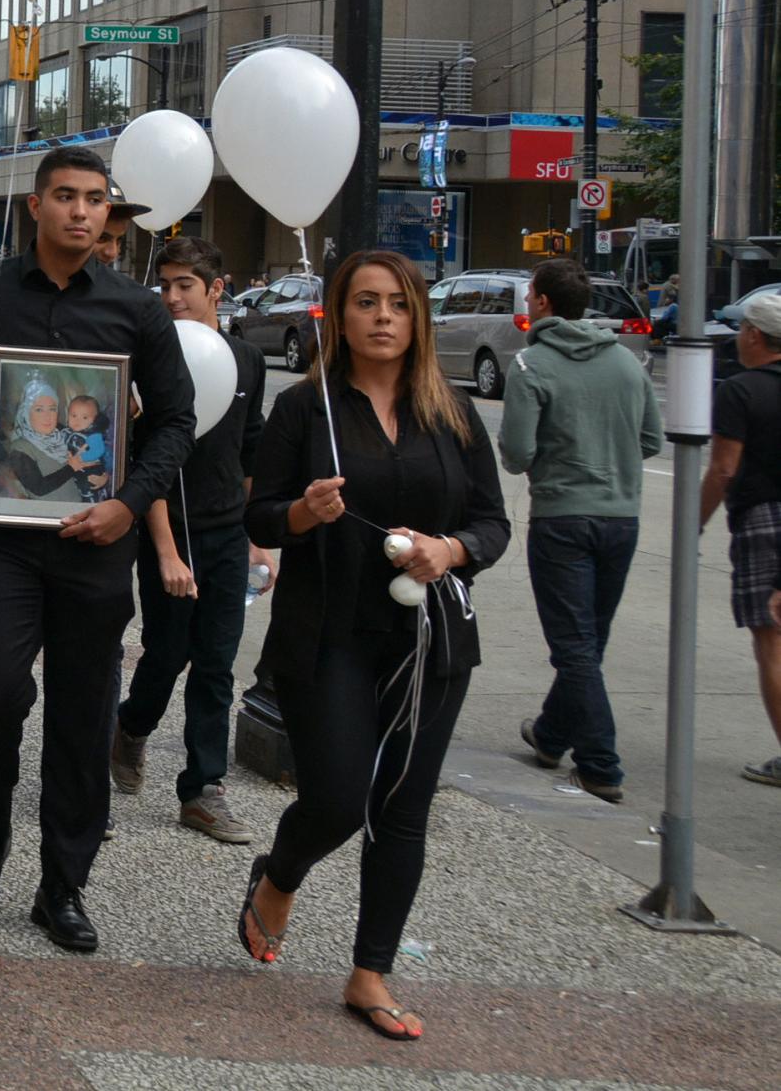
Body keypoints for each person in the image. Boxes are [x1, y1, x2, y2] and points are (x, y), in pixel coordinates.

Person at [0, 146, 196, 954]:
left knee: (82, 713)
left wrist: (129, 504)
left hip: (97, 541)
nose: (80, 210)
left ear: (109, 211)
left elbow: (176, 421)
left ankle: (62, 883)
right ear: (35, 206)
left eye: (95, 198)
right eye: (65, 196)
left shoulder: (137, 310)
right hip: (0, 538)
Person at [238, 251, 509, 1042]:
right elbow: (259, 517)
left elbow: (493, 522)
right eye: (366, 301)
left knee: (402, 806)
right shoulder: (306, 408)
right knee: (337, 799)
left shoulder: (453, 412)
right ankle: (280, 872)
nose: (384, 315)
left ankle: (370, 971)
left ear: (418, 315)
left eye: (398, 302)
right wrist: (302, 514)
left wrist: (451, 549)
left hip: (430, 640)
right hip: (329, 637)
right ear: (340, 314)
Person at [113, 236, 269, 843]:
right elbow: (142, 462)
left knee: (217, 663)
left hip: (228, 532)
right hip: (167, 533)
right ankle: (131, 725)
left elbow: (249, 450)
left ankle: (203, 789)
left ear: (215, 290)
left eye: (186, 286)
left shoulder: (246, 360)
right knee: (168, 651)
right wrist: (166, 550)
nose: (173, 296)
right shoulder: (149, 360)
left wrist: (257, 539)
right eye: (166, 285)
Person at [500, 257, 665, 802]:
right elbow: (650, 441)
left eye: (530, 294)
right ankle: (551, 735)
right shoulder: (625, 362)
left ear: (543, 302)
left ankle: (600, 765)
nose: (527, 302)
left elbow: (518, 454)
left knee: (573, 648)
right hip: (622, 517)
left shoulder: (531, 366)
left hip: (562, 517)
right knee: (589, 642)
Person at [703, 287, 781, 788]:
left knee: (772, 645)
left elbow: (724, 468)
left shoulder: (739, 390)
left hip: (764, 523)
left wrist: (696, 518)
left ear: (753, 335)